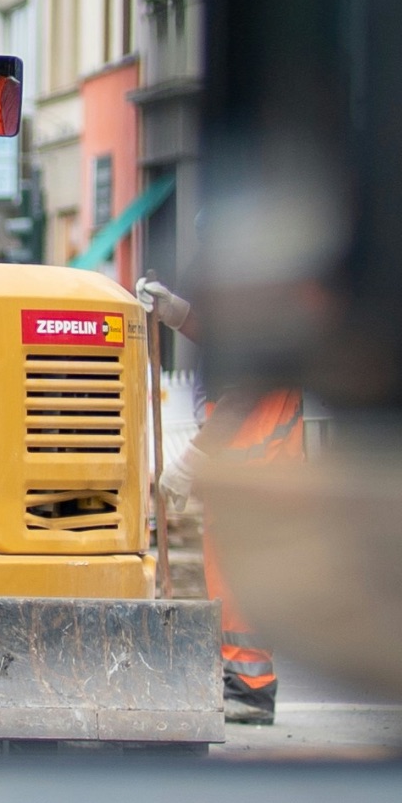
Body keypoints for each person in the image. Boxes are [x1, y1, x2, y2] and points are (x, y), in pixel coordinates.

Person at [136, 276, 299, 725]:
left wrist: (190, 460)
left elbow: (244, 393)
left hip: (259, 478)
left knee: (240, 581)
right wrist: (178, 314)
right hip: (249, 475)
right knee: (228, 576)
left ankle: (251, 688)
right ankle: (242, 681)